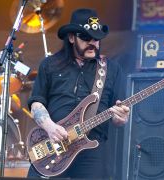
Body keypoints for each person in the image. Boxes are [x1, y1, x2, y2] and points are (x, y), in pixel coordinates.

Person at [27, 8, 130, 179]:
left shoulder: (111, 69)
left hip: (92, 149)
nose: (92, 43)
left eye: (96, 39)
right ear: (71, 37)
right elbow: (37, 103)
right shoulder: (50, 65)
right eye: (86, 37)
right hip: (54, 143)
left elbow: (118, 112)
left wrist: (121, 118)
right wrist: (50, 128)